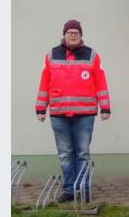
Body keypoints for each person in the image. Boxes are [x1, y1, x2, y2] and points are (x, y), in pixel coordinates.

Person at [35, 19, 111, 203]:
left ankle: (83, 190)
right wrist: (40, 107)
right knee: (65, 154)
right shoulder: (52, 54)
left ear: (81, 34)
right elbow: (45, 82)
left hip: (84, 114)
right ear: (64, 34)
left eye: (76, 31)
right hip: (59, 114)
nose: (73, 34)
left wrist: (105, 106)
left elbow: (100, 81)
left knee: (82, 153)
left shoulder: (91, 55)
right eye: (69, 31)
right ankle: (69, 190)